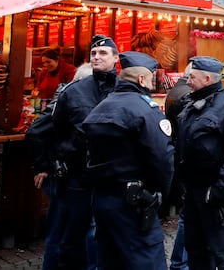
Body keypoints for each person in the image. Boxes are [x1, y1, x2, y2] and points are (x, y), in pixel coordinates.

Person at [82, 51, 175, 269]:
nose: (152, 84)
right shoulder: (146, 110)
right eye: (150, 79)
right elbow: (163, 159)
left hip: (102, 199)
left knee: (110, 260)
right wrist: (159, 195)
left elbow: (88, 152)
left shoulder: (101, 107)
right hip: (135, 202)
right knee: (146, 261)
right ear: (141, 79)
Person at [176, 56, 224, 270]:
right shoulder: (193, 103)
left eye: (192, 77)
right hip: (193, 192)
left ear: (207, 79)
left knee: (223, 254)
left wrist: (219, 189)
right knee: (196, 251)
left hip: (217, 195)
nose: (188, 81)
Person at [51, 34, 119, 269]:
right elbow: (57, 130)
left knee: (109, 232)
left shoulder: (125, 90)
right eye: (93, 53)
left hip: (113, 176)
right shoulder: (74, 91)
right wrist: (66, 155)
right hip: (78, 175)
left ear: (116, 58)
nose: (97, 57)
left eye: (103, 53)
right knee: (74, 233)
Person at [27, 63, 92, 270]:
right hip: (62, 176)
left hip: (74, 177)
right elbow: (35, 132)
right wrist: (44, 166)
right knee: (59, 230)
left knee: (71, 231)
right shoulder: (66, 102)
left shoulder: (81, 102)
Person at [165, 64, 193, 270]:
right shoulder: (186, 94)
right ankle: (180, 261)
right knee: (189, 213)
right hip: (185, 156)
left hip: (178, 152)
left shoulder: (176, 90)